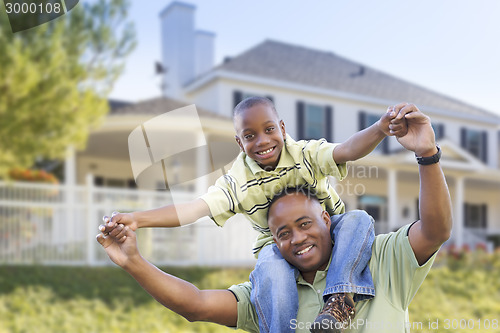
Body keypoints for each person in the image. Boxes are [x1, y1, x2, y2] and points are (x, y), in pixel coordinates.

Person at [98, 103, 452, 333]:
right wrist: (137, 230)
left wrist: (394, 136)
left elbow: (347, 150)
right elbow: (194, 216)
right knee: (268, 264)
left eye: (304, 225)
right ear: (239, 143)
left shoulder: (380, 260)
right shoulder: (270, 285)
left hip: (345, 233)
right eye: (249, 136)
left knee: (358, 218)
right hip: (271, 258)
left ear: (282, 128)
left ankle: (340, 298)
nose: (297, 238)